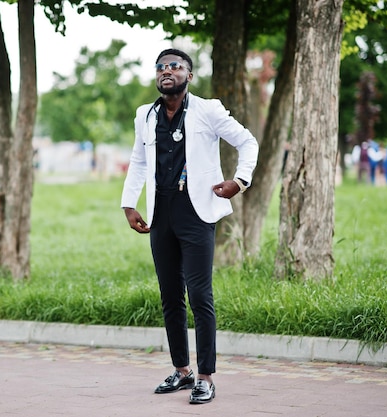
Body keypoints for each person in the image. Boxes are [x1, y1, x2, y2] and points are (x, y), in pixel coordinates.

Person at [120, 49, 259, 405]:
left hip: (197, 212)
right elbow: (138, 160)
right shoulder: (145, 115)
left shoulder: (207, 110)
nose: (167, 71)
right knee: (170, 296)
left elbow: (247, 142)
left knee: (199, 295)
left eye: (175, 66)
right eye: (162, 67)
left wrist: (239, 182)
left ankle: (205, 376)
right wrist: (129, 203)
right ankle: (181, 371)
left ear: (189, 75)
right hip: (161, 212)